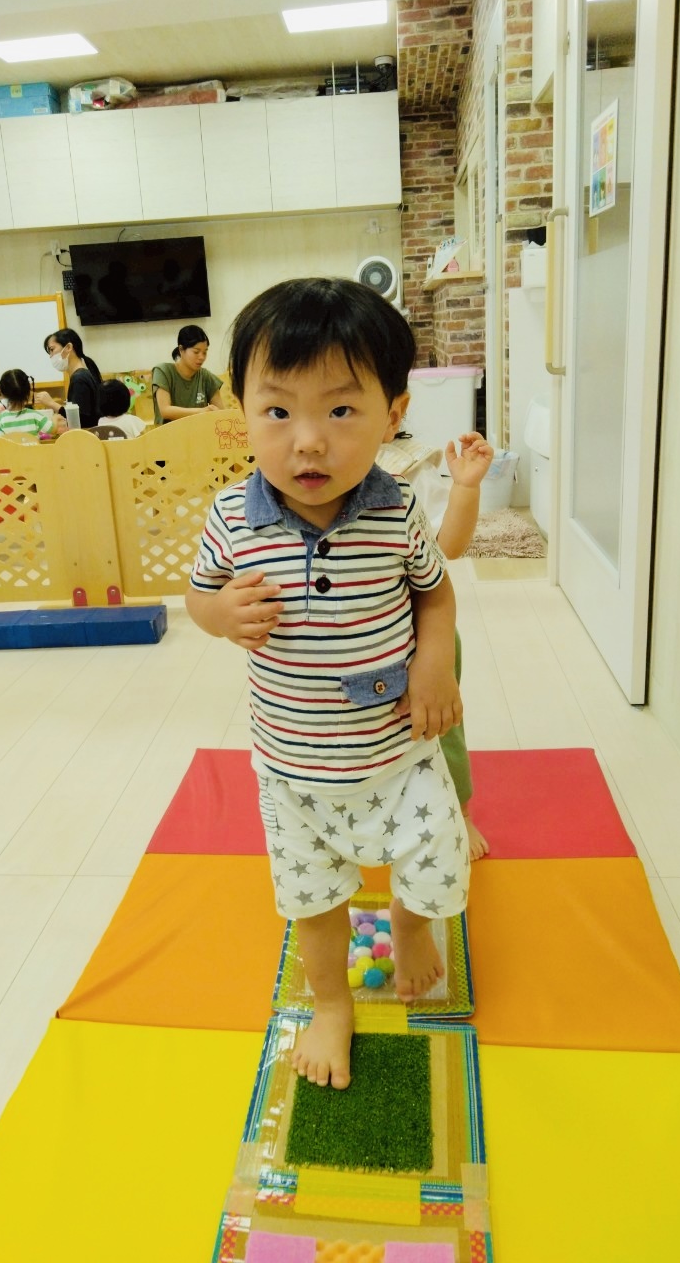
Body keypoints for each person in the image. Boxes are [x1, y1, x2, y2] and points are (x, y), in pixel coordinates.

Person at [187, 278, 469, 1091]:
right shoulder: (231, 519)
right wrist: (220, 615)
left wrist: (434, 661)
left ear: (393, 412)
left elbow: (435, 592)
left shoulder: (396, 511)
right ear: (240, 411)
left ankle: (410, 928)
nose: (308, 442)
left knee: (438, 867)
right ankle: (332, 1005)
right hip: (293, 770)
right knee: (311, 902)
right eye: (277, 411)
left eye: (341, 410)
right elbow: (198, 597)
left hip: (399, 755)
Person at [378, 427, 494, 860]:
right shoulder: (310, 465)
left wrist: (465, 488)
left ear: (393, 414)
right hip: (355, 642)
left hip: (423, 632)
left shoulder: (405, 467)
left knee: (440, 726)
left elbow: (449, 546)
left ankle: (459, 810)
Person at [152, 324, 224, 425]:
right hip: (169, 433)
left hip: (199, 432)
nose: (201, 357)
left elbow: (221, 413)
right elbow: (165, 411)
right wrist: (202, 411)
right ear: (181, 350)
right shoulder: (163, 371)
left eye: (204, 352)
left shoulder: (206, 376)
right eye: (196, 352)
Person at [34, 327, 102, 429]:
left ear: (68, 347)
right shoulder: (83, 375)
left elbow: (81, 419)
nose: (51, 356)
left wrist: (52, 403)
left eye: (52, 350)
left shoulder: (79, 379)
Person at [0, 368, 61, 439]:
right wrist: (55, 417)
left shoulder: (1, 418)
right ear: (28, 391)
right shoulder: (34, 415)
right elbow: (52, 430)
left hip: (10, 447)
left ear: (2, 392)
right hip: (32, 446)